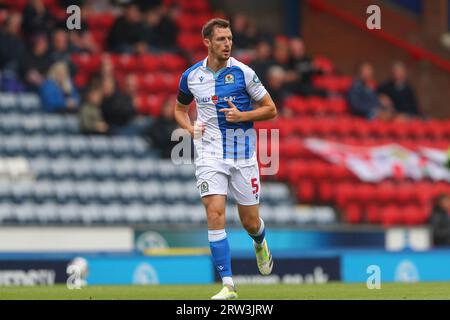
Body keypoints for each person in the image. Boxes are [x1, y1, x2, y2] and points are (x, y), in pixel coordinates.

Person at [174, 18, 277, 300]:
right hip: (209, 154)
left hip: (243, 155)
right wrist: (189, 128)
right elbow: (180, 109)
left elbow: (271, 109)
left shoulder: (244, 73)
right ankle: (228, 285)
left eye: (230, 38)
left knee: (250, 222)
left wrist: (243, 116)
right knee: (215, 213)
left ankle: (259, 242)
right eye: (221, 39)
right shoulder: (191, 77)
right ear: (207, 42)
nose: (227, 43)